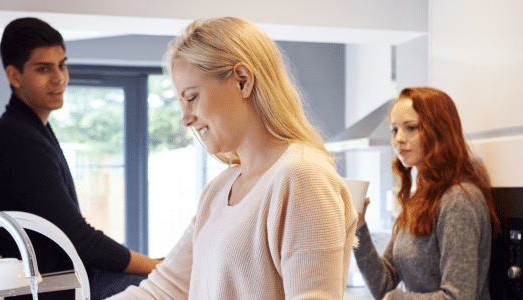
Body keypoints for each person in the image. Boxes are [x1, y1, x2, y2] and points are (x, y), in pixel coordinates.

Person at [107, 17, 358, 299]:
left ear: (242, 81)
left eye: (191, 98)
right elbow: (164, 289)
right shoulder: (218, 190)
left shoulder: (302, 176)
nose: (186, 119)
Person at [0, 17, 160, 300]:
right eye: (43, 69)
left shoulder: (30, 129)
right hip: (56, 289)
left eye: (62, 65)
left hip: (68, 281)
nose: (59, 78)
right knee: (166, 287)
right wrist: (155, 267)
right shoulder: (18, 140)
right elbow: (80, 239)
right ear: (14, 76)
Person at [353, 87, 501, 299]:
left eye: (411, 128)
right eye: (394, 130)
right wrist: (358, 225)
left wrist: (396, 299)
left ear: (439, 131)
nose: (399, 139)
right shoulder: (418, 200)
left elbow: (458, 296)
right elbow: (383, 284)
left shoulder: (458, 200)